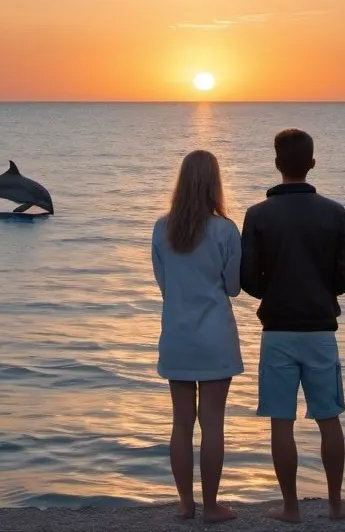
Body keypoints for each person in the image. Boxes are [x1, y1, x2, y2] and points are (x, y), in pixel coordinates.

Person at [240, 129, 345, 523]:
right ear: (311, 164)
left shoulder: (257, 215)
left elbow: (248, 281)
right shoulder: (335, 212)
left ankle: (290, 507)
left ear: (276, 164)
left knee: (281, 421)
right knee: (329, 418)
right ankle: (336, 504)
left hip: (278, 331)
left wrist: (274, 286)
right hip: (321, 330)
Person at [152, 149, 243, 523]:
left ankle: (185, 505)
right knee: (213, 424)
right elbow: (235, 288)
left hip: (177, 335)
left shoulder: (162, 227)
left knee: (181, 423)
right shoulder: (225, 229)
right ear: (214, 183)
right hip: (214, 336)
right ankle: (211, 506)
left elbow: (164, 283)